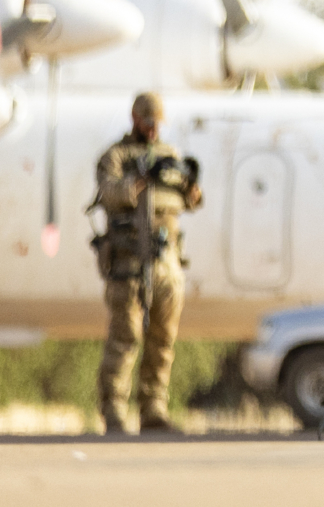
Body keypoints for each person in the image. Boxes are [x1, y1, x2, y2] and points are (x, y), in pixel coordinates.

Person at [91, 93, 203, 434]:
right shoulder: (117, 156)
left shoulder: (170, 155)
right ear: (135, 119)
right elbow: (108, 192)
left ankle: (154, 408)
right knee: (124, 339)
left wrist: (189, 182)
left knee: (163, 339)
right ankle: (113, 410)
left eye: (158, 125)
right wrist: (139, 182)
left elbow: (192, 200)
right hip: (129, 261)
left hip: (167, 263)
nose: (154, 132)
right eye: (148, 124)